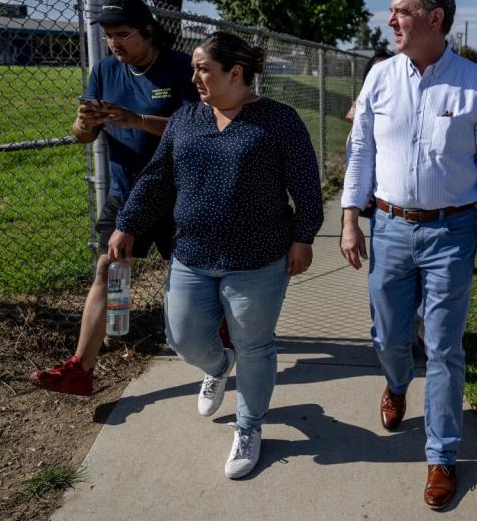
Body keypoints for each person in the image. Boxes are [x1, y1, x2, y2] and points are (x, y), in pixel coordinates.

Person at [109, 31, 323, 479]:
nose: (195, 77)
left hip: (258, 258)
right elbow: (155, 179)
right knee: (183, 336)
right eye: (194, 69)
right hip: (191, 251)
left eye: (203, 69)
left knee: (255, 344)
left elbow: (305, 184)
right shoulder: (186, 118)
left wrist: (304, 236)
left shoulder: (278, 121)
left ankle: (249, 427)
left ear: (235, 73)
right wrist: (127, 223)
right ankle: (217, 365)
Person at [340, 0, 477, 510]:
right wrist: (350, 219)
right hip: (388, 228)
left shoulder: (476, 84)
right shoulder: (380, 78)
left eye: (401, 11)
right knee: (389, 337)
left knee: (444, 347)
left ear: (434, 19)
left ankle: (441, 455)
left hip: (451, 233)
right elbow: (361, 151)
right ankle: (395, 382)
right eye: (392, 11)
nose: (391, 20)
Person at [29, 0, 200, 396]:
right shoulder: (105, 70)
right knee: (107, 269)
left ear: (149, 31)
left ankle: (220, 342)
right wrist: (83, 123)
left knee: (195, 280)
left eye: (123, 35)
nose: (114, 43)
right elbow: (82, 136)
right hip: (128, 193)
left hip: (182, 193)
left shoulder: (180, 67)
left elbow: (199, 127)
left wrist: (136, 120)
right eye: (108, 36)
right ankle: (81, 369)